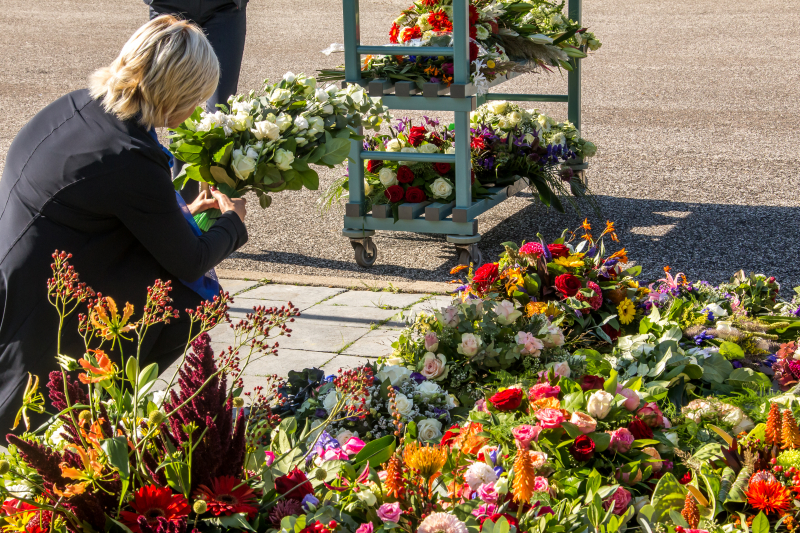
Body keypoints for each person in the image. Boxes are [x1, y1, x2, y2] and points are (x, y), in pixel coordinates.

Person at [0, 16, 248, 441]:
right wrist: (233, 224)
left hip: (24, 264)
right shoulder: (130, 155)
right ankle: (100, 411)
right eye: (196, 98)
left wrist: (181, 211)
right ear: (176, 93)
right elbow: (190, 260)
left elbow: (105, 202)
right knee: (193, 300)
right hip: (48, 299)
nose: (195, 110)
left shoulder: (79, 105)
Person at [145, 0, 248, 203]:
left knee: (221, 114)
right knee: (174, 108)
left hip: (225, 6)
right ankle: (186, 211)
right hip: (169, 4)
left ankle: (216, 211)